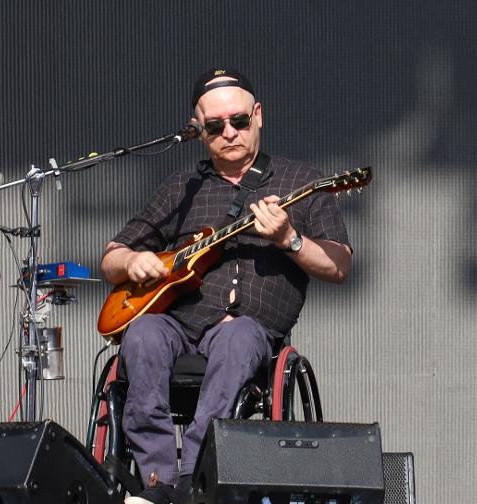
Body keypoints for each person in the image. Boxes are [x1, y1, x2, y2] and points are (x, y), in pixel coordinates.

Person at [100, 68, 352, 504]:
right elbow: (111, 258)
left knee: (237, 337)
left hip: (249, 332)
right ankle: (157, 484)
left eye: (238, 121)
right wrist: (133, 260)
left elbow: (339, 264)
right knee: (140, 334)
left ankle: (192, 483)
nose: (229, 133)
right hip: (179, 326)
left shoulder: (303, 183)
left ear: (258, 115)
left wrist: (288, 239)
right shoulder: (182, 187)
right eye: (215, 126)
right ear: (199, 132)